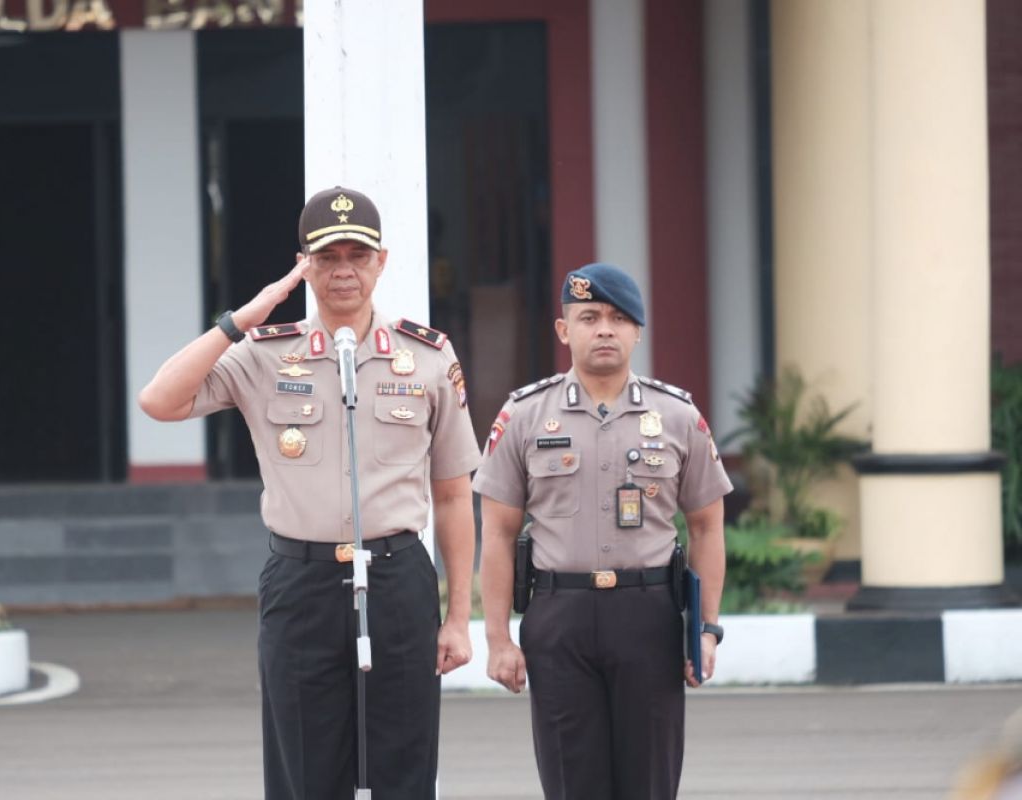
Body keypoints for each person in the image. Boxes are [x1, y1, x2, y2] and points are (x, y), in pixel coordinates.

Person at [138, 186, 480, 799]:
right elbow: (160, 401)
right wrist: (242, 318)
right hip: (301, 583)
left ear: (381, 261)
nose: (343, 270)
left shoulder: (426, 356)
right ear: (304, 264)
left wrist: (459, 618)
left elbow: (454, 495)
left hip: (399, 577)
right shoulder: (264, 353)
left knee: (405, 770)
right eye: (326, 257)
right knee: (303, 772)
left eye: (357, 254)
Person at [472, 262, 731, 800]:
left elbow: (706, 526)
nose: (605, 329)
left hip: (649, 618)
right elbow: (496, 534)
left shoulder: (677, 415)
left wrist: (705, 630)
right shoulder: (524, 414)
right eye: (589, 317)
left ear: (638, 330)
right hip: (559, 619)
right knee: (572, 784)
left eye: (619, 317)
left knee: (650, 783)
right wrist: (498, 639)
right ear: (564, 330)